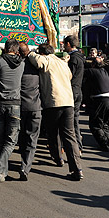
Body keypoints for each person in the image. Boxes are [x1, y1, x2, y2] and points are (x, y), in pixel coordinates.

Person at [28, 43, 83, 181]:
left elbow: (38, 61)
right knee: (69, 136)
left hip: (54, 102)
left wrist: (31, 53)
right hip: (68, 102)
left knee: (53, 133)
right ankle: (77, 168)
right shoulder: (62, 62)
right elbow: (70, 76)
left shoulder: (46, 60)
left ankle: (58, 158)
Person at [0, 38, 24, 186]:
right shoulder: (22, 64)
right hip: (15, 105)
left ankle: (1, 173)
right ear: (16, 50)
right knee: (10, 141)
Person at [17, 42, 42, 180]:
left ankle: (23, 160)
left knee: (21, 136)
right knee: (32, 139)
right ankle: (25, 167)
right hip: (35, 107)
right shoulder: (37, 66)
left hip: (21, 107)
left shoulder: (16, 66)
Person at [83, 57, 109, 151]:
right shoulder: (104, 71)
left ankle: (104, 144)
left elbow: (81, 72)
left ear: (93, 65)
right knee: (104, 122)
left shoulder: (92, 71)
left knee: (95, 124)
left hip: (101, 100)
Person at [63, 35, 85, 152]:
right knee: (75, 120)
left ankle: (75, 148)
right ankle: (78, 147)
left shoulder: (72, 59)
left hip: (71, 91)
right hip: (78, 90)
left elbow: (68, 75)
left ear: (68, 44)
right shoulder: (80, 57)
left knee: (70, 122)